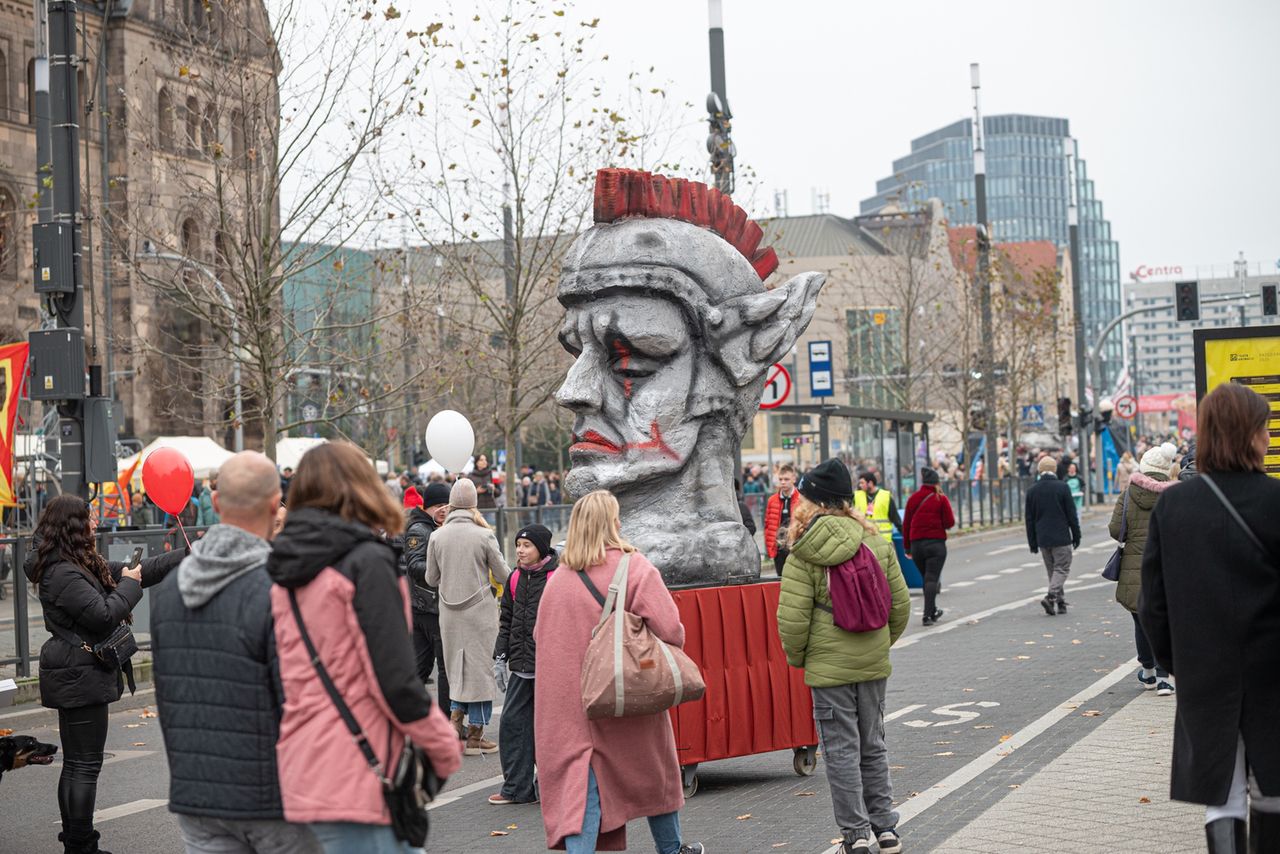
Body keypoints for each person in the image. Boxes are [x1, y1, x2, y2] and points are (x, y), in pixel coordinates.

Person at [266, 443, 462, 853]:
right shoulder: (366, 564)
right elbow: (395, 679)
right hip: (361, 771)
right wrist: (444, 747)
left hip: (301, 768)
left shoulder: (285, 570)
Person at [150, 451, 321, 854]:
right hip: (274, 796)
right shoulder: (280, 589)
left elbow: (167, 696)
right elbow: (300, 703)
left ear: (217, 503)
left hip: (198, 795)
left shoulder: (171, 590)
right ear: (273, 503)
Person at [1139, 383, 1280, 853]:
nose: (1267, 438)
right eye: (1264, 428)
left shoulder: (1174, 506)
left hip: (1205, 672)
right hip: (1272, 671)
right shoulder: (1275, 501)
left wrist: (1179, 663)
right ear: (1250, 434)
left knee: (1222, 794)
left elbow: (1152, 603)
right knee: (1272, 790)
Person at [533, 491, 703, 854]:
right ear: (613, 523)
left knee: (583, 785)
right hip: (624, 695)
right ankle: (671, 850)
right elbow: (671, 629)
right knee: (657, 774)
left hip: (567, 704)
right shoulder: (634, 567)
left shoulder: (557, 580)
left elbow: (539, 636)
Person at [25, 495, 185, 854]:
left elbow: (145, 570)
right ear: (72, 525)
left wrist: (190, 554)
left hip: (76, 671)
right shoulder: (62, 571)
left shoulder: (78, 562)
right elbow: (102, 615)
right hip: (77, 672)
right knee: (83, 766)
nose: (96, 523)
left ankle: (77, 842)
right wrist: (128, 584)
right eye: (90, 518)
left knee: (78, 765)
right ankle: (81, 846)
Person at [777, 459, 911, 854]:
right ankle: (887, 830)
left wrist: (803, 659)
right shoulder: (876, 543)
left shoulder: (803, 554)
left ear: (813, 503)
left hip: (827, 670)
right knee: (873, 745)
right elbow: (900, 608)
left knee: (840, 753)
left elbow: (793, 622)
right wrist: (878, 645)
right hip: (872, 664)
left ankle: (856, 838)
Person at [425, 478, 510, 754]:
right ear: (474, 503)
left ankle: (454, 725)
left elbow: (431, 577)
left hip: (449, 613)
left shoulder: (437, 536)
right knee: (480, 671)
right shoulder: (483, 535)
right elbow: (503, 575)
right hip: (480, 612)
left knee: (455, 669)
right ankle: (476, 734)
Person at [488, 524, 558, 806]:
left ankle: (552, 786)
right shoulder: (515, 578)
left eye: (526, 545)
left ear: (541, 548)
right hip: (521, 666)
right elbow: (507, 621)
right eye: (518, 544)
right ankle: (517, 789)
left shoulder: (557, 577)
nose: (519, 550)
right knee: (512, 724)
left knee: (551, 728)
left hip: (550, 667)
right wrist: (500, 657)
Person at [1108, 442, 1177, 697]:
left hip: (1135, 567)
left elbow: (1116, 530)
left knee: (1140, 620)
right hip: (1168, 565)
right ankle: (1164, 677)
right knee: (1166, 620)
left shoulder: (1127, 495)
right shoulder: (1175, 495)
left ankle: (1147, 672)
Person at [396, 482, 452, 713]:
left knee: (421, 668)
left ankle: (409, 716)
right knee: (442, 670)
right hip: (428, 608)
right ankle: (446, 721)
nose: (444, 509)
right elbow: (414, 566)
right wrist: (443, 568)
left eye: (447, 505)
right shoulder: (421, 529)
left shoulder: (434, 526)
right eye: (439, 505)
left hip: (424, 606)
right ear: (427, 506)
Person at [1024, 455, 1081, 616]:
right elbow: (1072, 514)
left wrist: (1032, 542)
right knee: (1062, 568)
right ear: (1054, 470)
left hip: (1043, 538)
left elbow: (1029, 519)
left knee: (1053, 571)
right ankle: (1050, 598)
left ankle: (1060, 603)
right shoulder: (1062, 487)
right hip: (1061, 536)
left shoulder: (1032, 490)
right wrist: (1076, 535)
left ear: (1040, 470)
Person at [902, 467, 956, 627]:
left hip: (917, 545)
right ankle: (927, 615)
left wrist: (907, 548)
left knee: (926, 578)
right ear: (937, 483)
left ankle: (932, 611)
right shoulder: (941, 498)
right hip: (936, 544)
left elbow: (906, 525)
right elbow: (949, 523)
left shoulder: (913, 498)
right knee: (931, 578)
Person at [764, 464, 798, 574]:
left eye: (786, 479)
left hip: (796, 548)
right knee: (780, 580)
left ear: (794, 479)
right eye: (780, 479)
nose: (783, 482)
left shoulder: (801, 499)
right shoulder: (772, 500)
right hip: (778, 548)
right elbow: (768, 525)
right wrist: (770, 548)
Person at [854, 471, 902, 541]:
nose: (860, 485)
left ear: (870, 483)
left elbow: (896, 519)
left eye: (862, 483)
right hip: (865, 541)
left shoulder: (885, 497)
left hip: (883, 541)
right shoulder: (857, 496)